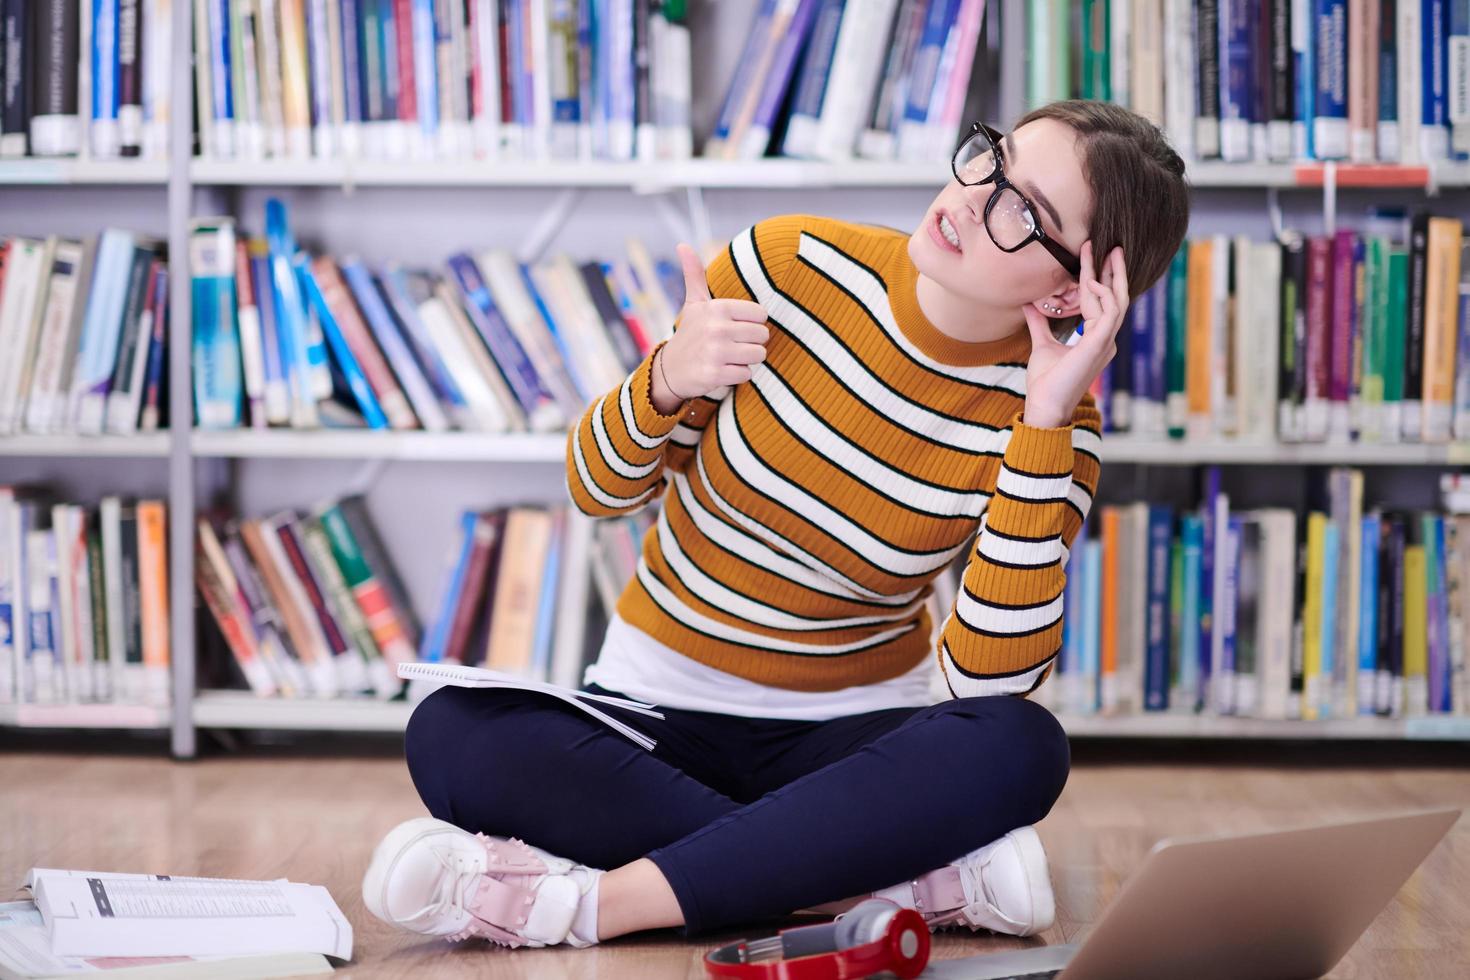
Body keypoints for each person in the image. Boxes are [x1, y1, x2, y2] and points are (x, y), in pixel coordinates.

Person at [362, 99, 1190, 951]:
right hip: (651, 712)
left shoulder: (1058, 428)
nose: (971, 197)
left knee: (1022, 746)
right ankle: (887, 882)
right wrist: (668, 378)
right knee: (452, 729)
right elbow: (594, 490)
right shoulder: (787, 265)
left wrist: (1044, 421)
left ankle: (590, 906)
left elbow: (985, 684)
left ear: (1070, 288)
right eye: (992, 158)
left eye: (1023, 212)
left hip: (850, 743)